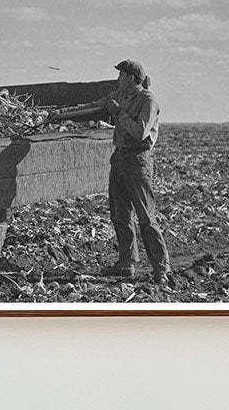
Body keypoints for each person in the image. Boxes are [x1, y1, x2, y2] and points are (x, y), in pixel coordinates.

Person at [55, 59, 171, 283]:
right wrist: (60, 114)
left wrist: (120, 113)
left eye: (121, 75)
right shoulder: (118, 95)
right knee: (120, 215)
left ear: (131, 78)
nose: (118, 79)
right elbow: (92, 107)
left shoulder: (148, 101)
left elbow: (140, 132)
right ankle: (126, 264)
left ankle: (161, 269)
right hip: (119, 158)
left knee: (146, 217)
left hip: (138, 160)